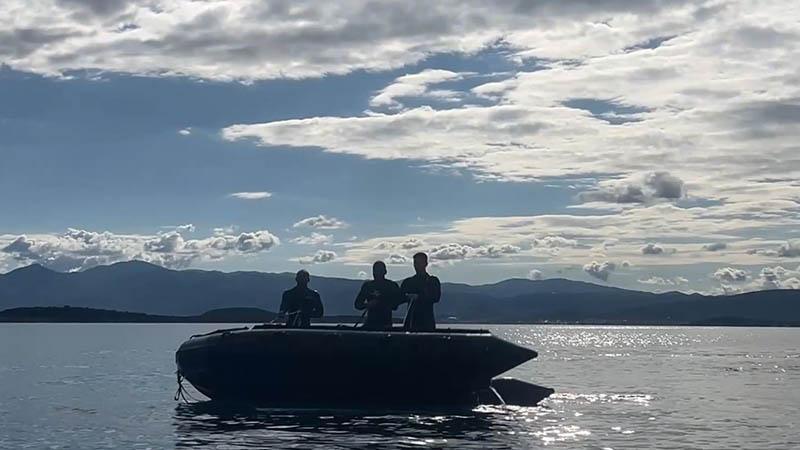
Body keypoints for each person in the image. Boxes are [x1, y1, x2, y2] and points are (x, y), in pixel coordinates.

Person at [354, 261, 402, 330]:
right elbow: (357, 304)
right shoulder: (368, 286)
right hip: (370, 324)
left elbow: (395, 305)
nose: (376, 273)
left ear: (385, 272)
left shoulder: (391, 286)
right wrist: (368, 305)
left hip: (385, 325)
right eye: (375, 271)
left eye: (379, 271)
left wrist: (383, 303)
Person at [399, 252, 441, 331]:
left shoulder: (432, 281)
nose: (417, 265)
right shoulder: (408, 282)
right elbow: (399, 298)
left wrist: (419, 297)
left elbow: (436, 297)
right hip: (411, 321)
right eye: (415, 263)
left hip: (427, 322)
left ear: (425, 264)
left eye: (419, 263)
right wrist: (406, 297)